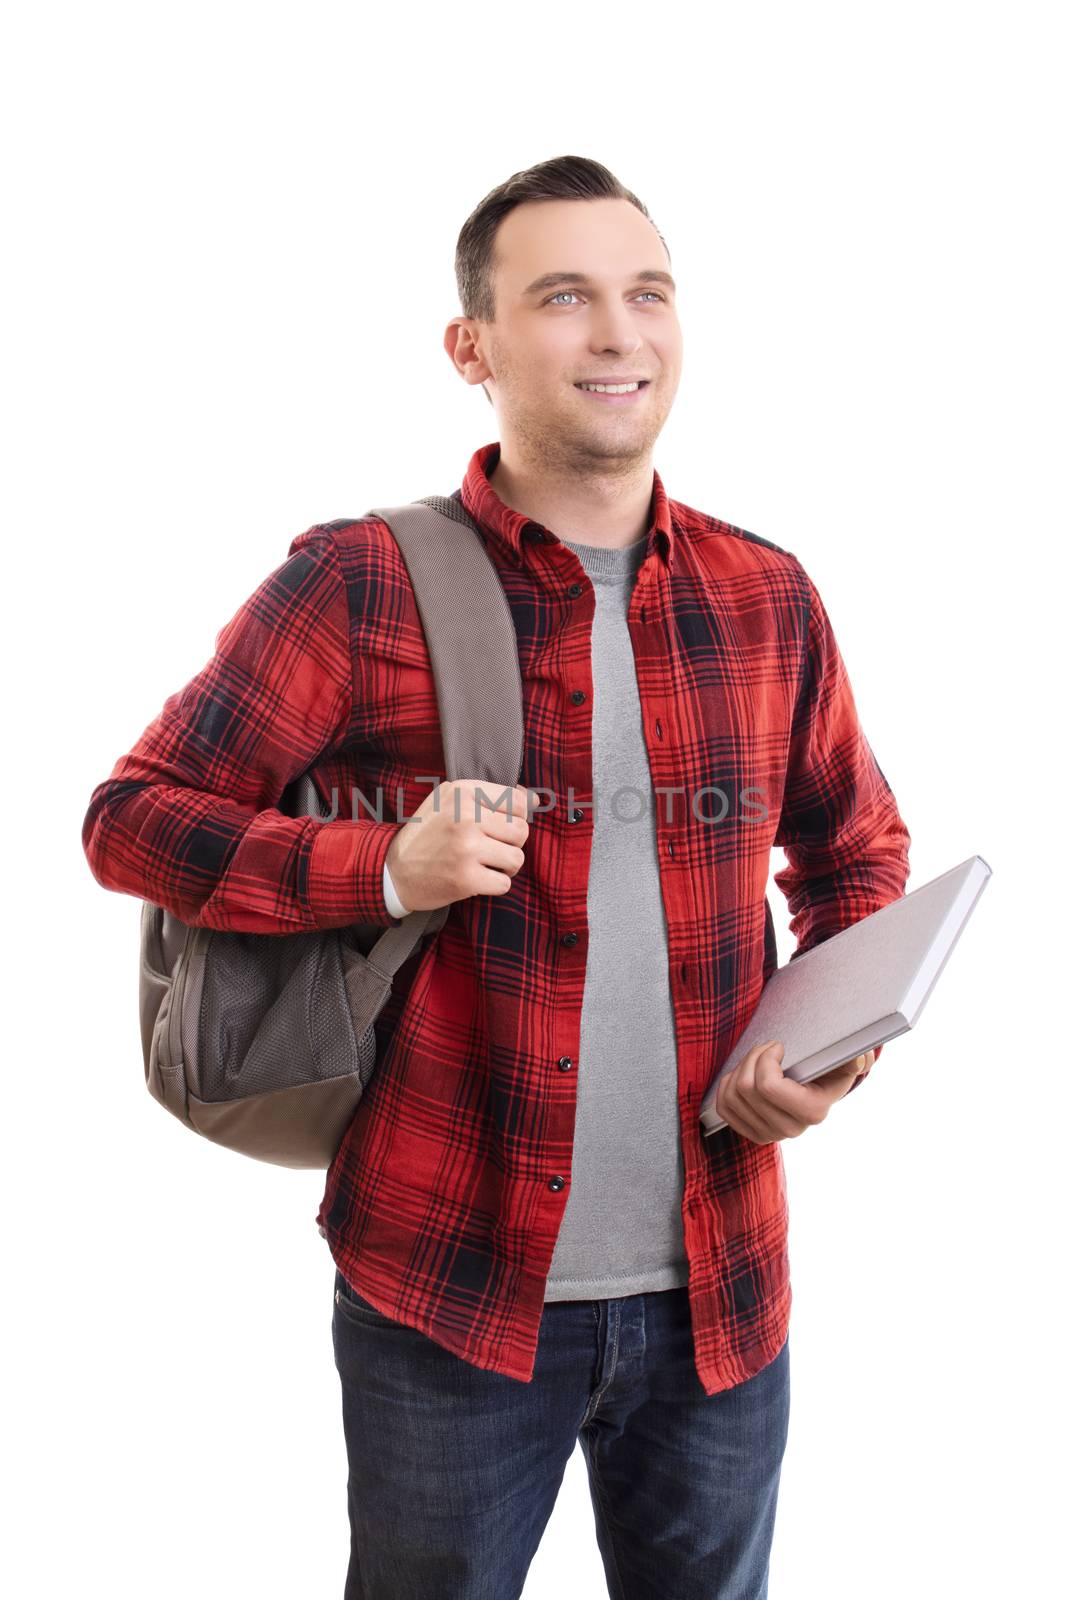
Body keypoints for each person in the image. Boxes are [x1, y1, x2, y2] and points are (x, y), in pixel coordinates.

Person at [82, 154, 910, 1599]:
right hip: (449, 1286)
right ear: (471, 347)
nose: (619, 334)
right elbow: (132, 819)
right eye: (565, 297)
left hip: (723, 1291)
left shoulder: (765, 594)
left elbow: (857, 856)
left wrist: (827, 1050)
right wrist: (378, 867)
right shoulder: (360, 582)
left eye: (647, 293)